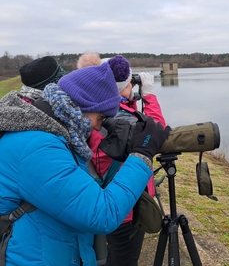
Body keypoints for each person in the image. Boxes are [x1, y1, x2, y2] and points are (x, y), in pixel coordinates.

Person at [0, 62, 170, 266]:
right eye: (101, 117)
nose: (100, 126)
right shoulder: (37, 147)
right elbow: (101, 214)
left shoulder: (49, 134)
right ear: (79, 107)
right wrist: (142, 154)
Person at [77, 53, 166, 266]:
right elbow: (156, 133)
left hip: (112, 196)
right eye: (128, 84)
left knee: (116, 256)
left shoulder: (97, 111)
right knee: (124, 260)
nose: (132, 86)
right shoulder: (115, 118)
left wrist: (131, 99)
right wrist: (149, 95)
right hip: (125, 204)